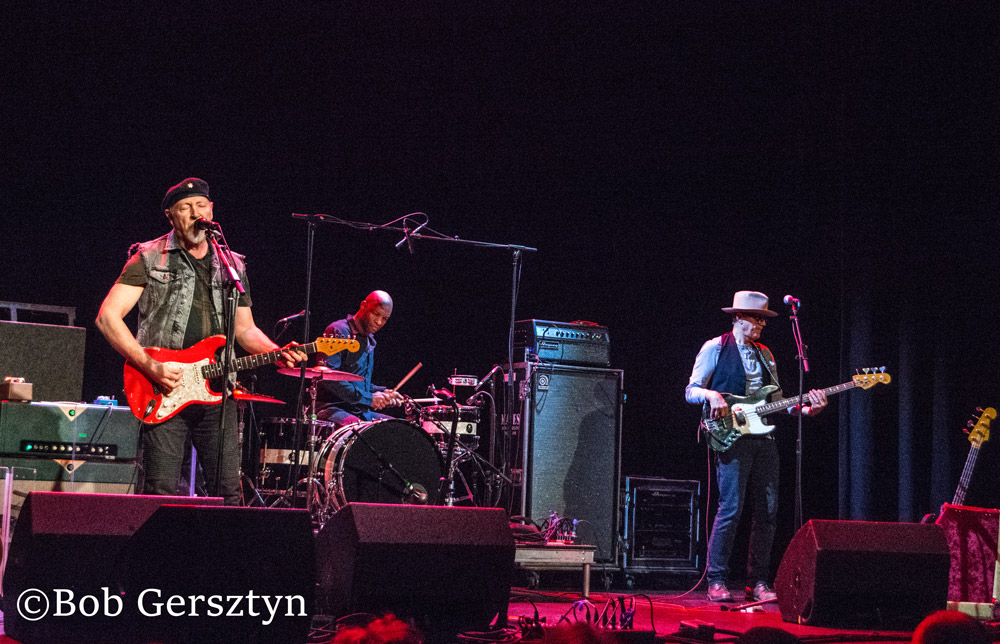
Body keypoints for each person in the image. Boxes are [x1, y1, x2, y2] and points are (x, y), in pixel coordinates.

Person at [96, 177, 305, 505]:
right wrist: (150, 366)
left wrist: (276, 353)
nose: (195, 213)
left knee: (228, 493)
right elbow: (107, 317)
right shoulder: (150, 257)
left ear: (211, 210)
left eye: (201, 206)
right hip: (163, 387)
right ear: (170, 215)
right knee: (160, 492)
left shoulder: (231, 264)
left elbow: (245, 330)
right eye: (185, 208)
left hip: (218, 391)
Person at [685, 290, 827, 602]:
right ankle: (716, 579)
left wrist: (806, 409)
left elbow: (777, 403)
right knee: (731, 507)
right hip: (729, 437)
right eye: (756, 317)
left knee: (768, 511)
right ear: (737, 317)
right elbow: (691, 390)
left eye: (764, 318)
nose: (762, 323)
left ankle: (758, 581)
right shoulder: (716, 347)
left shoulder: (767, 354)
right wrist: (711, 395)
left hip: (764, 439)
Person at [315, 290, 405, 428]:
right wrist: (369, 399)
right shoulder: (338, 330)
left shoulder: (368, 340)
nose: (379, 322)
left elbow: (359, 384)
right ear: (363, 306)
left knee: (401, 430)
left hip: (359, 411)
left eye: (385, 319)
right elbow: (328, 377)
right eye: (376, 314)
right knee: (364, 433)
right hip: (332, 408)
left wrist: (383, 392)